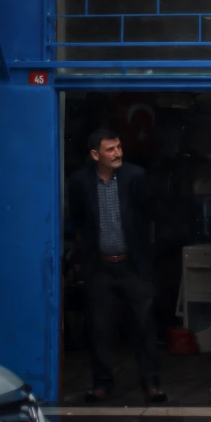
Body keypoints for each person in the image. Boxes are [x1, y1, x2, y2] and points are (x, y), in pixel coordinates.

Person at [68, 128, 167, 403]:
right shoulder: (79, 182)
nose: (118, 153)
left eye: (119, 147)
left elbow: (151, 213)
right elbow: (76, 219)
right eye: (110, 149)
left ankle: (151, 384)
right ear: (95, 154)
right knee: (99, 328)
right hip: (99, 267)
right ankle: (102, 385)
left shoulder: (135, 177)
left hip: (133, 266)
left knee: (144, 326)